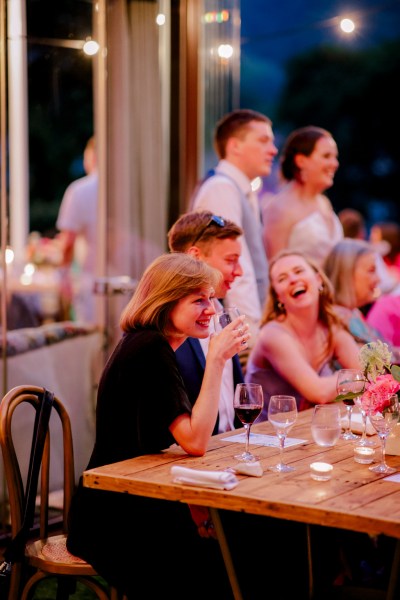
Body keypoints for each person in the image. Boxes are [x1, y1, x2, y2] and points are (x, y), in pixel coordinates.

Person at [66, 252, 249, 599]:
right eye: (198, 300)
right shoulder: (149, 348)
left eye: (211, 298)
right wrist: (217, 360)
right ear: (166, 303)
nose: (211, 308)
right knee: (226, 558)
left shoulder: (152, 345)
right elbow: (195, 441)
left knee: (235, 545)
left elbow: (178, 443)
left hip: (131, 498)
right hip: (115, 515)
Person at [190, 108, 278, 347]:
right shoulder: (221, 188)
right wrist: (250, 333)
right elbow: (236, 267)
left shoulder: (240, 190)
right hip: (231, 329)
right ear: (234, 146)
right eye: (263, 141)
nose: (273, 150)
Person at [245, 250, 361, 417]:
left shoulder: (330, 327)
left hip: (308, 429)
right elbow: (319, 393)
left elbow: (368, 375)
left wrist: (338, 383)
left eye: (299, 271)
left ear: (318, 279)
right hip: (267, 435)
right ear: (278, 296)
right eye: (282, 279)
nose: (293, 280)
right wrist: (347, 379)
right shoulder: (272, 335)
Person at [167, 210, 245, 434]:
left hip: (228, 448)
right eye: (231, 261)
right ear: (195, 257)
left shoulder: (221, 312)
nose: (239, 272)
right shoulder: (164, 327)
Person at [263, 125, 343, 267]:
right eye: (326, 156)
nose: (334, 164)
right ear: (301, 161)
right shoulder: (279, 208)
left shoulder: (324, 202)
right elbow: (274, 266)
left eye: (335, 157)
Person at [323, 238, 400, 362]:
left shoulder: (353, 313)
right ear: (346, 274)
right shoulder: (336, 320)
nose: (378, 279)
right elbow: (375, 369)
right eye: (371, 271)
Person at [56, 136, 98, 323]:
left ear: (91, 157)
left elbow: (68, 242)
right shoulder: (127, 190)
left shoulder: (79, 190)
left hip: (90, 281)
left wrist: (63, 275)